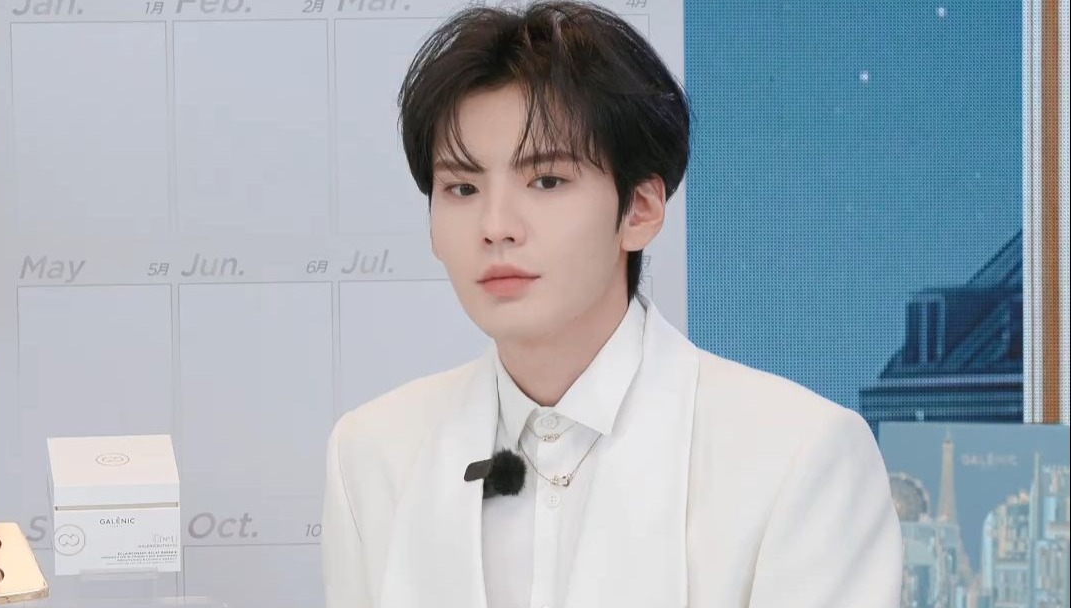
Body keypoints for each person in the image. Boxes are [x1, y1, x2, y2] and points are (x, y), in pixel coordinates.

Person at [321, 2, 903, 607]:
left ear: (641, 210)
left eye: (547, 181)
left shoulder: (797, 453)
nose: (495, 227)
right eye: (462, 188)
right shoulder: (373, 452)